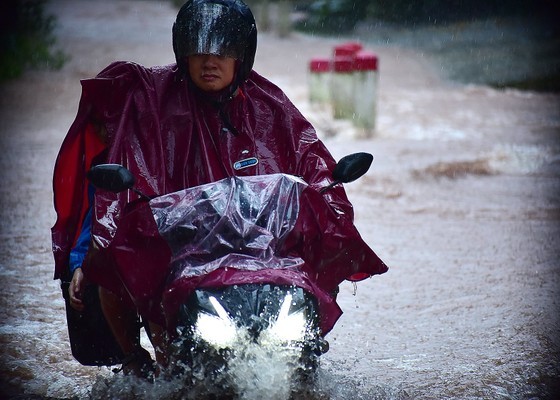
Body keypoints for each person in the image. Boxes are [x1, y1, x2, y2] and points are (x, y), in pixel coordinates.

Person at [52, 0, 387, 380]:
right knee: (111, 262)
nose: (209, 62)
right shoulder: (148, 103)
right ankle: (136, 363)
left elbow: (313, 167)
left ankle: (307, 349)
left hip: (261, 251)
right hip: (176, 250)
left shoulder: (270, 107)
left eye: (222, 52)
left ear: (241, 56)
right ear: (182, 52)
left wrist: (328, 194)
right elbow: (110, 196)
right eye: (199, 51)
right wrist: (82, 258)